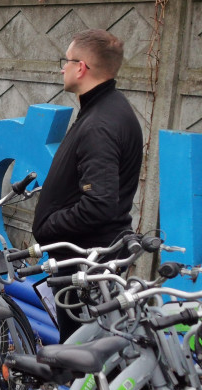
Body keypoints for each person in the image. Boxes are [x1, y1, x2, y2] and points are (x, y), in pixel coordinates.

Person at [32, 28, 143, 339]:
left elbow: (99, 203)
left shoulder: (100, 124)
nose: (62, 68)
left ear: (81, 67)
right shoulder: (105, 109)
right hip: (87, 262)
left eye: (65, 61)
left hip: (86, 266)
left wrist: (50, 226)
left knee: (86, 366)